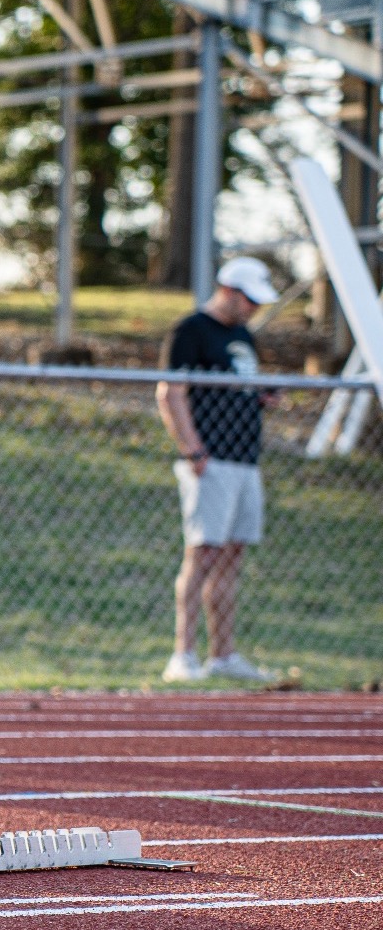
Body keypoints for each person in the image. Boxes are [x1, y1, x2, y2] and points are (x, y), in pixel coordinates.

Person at [156, 256, 280, 683]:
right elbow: (171, 392)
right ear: (228, 290)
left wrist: (263, 395)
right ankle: (183, 655)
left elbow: (243, 383)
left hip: (246, 459)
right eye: (249, 300)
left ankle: (222, 655)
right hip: (211, 461)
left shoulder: (244, 335)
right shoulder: (190, 330)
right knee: (203, 553)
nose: (254, 310)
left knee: (232, 555)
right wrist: (193, 451)